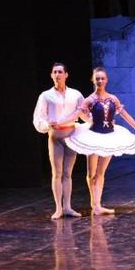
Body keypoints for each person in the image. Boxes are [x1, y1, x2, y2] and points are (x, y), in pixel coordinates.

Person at [64, 67, 135, 215]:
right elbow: (76, 114)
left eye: (102, 78)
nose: (100, 81)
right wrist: (59, 122)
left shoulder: (113, 98)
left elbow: (127, 116)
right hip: (93, 137)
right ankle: (94, 203)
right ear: (93, 80)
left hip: (110, 137)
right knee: (91, 174)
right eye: (97, 79)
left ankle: (97, 206)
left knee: (100, 173)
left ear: (106, 80)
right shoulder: (89, 100)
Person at [33, 63, 86, 220]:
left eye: (60, 72)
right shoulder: (45, 96)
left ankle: (67, 206)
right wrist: (46, 125)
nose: (57, 74)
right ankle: (58, 208)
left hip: (71, 137)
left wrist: (95, 124)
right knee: (57, 173)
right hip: (55, 137)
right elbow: (38, 118)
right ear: (51, 75)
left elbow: (83, 113)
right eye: (55, 72)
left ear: (66, 75)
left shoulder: (75, 94)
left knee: (68, 173)